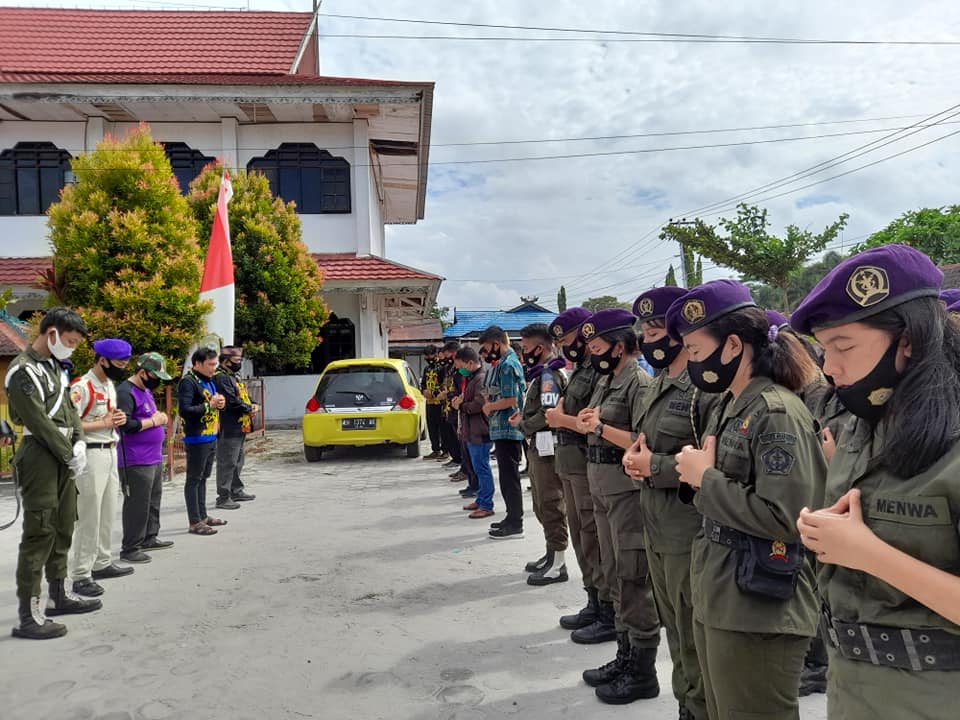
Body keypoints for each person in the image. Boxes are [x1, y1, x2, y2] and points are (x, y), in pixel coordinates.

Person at [793, 245, 960, 720]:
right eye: (824, 349)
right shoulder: (864, 425)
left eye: (843, 346)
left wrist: (868, 554)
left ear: (908, 338)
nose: (829, 367)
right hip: (853, 686)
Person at [668, 279, 826, 720]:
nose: (692, 363)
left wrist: (706, 479)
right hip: (723, 590)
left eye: (696, 352)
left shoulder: (776, 411)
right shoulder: (732, 404)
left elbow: (789, 517)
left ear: (733, 345)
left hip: (760, 607)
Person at [622, 287, 717, 720]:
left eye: (657, 328)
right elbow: (645, 442)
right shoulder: (657, 383)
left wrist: (654, 465)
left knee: (695, 634)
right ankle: (686, 704)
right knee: (676, 631)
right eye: (644, 328)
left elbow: (716, 465)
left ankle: (698, 707)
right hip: (656, 525)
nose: (648, 337)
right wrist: (635, 460)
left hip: (688, 529)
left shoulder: (705, 389)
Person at [572, 308, 660, 705]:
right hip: (602, 487)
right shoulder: (608, 379)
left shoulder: (638, 381)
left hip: (625, 491)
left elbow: (642, 443)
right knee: (612, 572)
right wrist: (591, 419)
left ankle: (642, 669)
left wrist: (599, 427)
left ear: (619, 346)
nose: (592, 355)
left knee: (632, 576)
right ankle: (624, 655)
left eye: (597, 347)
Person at [5, 307, 99, 640]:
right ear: (51, 334)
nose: (71, 348)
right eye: (70, 341)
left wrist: (80, 444)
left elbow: (71, 413)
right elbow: (38, 422)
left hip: (64, 456)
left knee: (62, 525)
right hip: (40, 457)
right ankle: (29, 615)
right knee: (39, 532)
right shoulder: (22, 371)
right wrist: (66, 452)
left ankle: (59, 594)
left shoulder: (56, 369)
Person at [545, 307, 613, 642]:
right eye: (562, 343)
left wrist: (561, 420)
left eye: (569, 340)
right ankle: (593, 600)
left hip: (587, 462)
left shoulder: (599, 371)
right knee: (580, 535)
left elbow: (594, 422)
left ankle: (607, 608)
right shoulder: (581, 370)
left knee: (593, 537)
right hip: (570, 462)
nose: (566, 348)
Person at [69, 338, 135, 595]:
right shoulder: (81, 387)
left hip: (110, 451)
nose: (124, 367)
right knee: (89, 516)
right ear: (102, 360)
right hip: (91, 455)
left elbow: (109, 417)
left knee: (108, 511)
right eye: (120, 363)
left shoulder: (108, 384)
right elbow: (69, 425)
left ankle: (102, 561)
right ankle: (81, 574)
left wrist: (118, 418)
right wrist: (103, 423)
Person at [511, 323, 569, 585]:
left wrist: (523, 424)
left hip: (547, 447)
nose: (523, 354)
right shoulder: (540, 374)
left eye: (525, 348)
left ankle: (558, 564)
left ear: (541, 348)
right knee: (540, 503)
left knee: (550, 503)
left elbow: (548, 415)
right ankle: (550, 554)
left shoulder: (549, 376)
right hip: (538, 445)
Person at [116, 352, 175, 560]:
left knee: (152, 500)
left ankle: (150, 536)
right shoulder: (125, 392)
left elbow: (151, 415)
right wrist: (155, 421)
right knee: (137, 504)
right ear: (142, 372)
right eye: (155, 377)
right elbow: (126, 425)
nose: (157, 382)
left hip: (153, 457)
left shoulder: (145, 390)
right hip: (135, 459)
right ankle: (130, 547)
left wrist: (159, 418)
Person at [479, 326, 526, 539]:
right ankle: (510, 517)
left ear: (497, 343)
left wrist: (490, 407)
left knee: (510, 478)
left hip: (509, 429)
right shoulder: (501, 364)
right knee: (506, 478)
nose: (488, 352)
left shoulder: (508, 365)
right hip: (501, 429)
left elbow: (511, 399)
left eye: (488, 347)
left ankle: (516, 522)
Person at [178, 347, 227, 536]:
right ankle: (194, 521)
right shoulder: (188, 382)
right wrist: (210, 405)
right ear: (197, 363)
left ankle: (203, 516)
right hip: (196, 437)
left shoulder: (208, 381)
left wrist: (220, 403)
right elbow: (186, 409)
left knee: (203, 478)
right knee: (194, 479)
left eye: (215, 364)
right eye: (210, 364)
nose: (214, 368)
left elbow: (213, 403)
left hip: (210, 434)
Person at [213, 345, 258, 510]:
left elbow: (243, 396)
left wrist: (253, 405)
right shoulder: (221, 378)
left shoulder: (233, 376)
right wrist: (249, 408)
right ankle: (223, 496)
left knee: (238, 460)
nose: (239, 363)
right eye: (237, 360)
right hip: (228, 425)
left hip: (239, 425)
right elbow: (232, 401)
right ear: (226, 361)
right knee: (227, 461)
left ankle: (236, 490)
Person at [452, 346, 494, 518]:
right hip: (471, 431)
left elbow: (478, 404)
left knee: (482, 468)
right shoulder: (472, 378)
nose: (460, 370)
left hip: (480, 431)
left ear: (470, 363)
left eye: (461, 366)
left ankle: (486, 504)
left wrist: (461, 405)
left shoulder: (481, 379)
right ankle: (480, 498)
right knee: (476, 468)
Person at [437, 341, 462, 470]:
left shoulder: (461, 370)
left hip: (455, 406)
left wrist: (448, 394)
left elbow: (460, 390)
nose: (446, 358)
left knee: (456, 435)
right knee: (449, 434)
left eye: (447, 355)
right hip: (447, 406)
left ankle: (459, 459)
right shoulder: (450, 368)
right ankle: (455, 457)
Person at [420, 345, 445, 459]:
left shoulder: (442, 367)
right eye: (426, 356)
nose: (427, 358)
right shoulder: (427, 369)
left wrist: (434, 392)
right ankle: (435, 449)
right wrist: (423, 391)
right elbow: (423, 383)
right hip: (429, 402)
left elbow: (445, 384)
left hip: (440, 402)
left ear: (436, 354)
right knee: (431, 426)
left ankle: (445, 450)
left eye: (429, 355)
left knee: (442, 427)